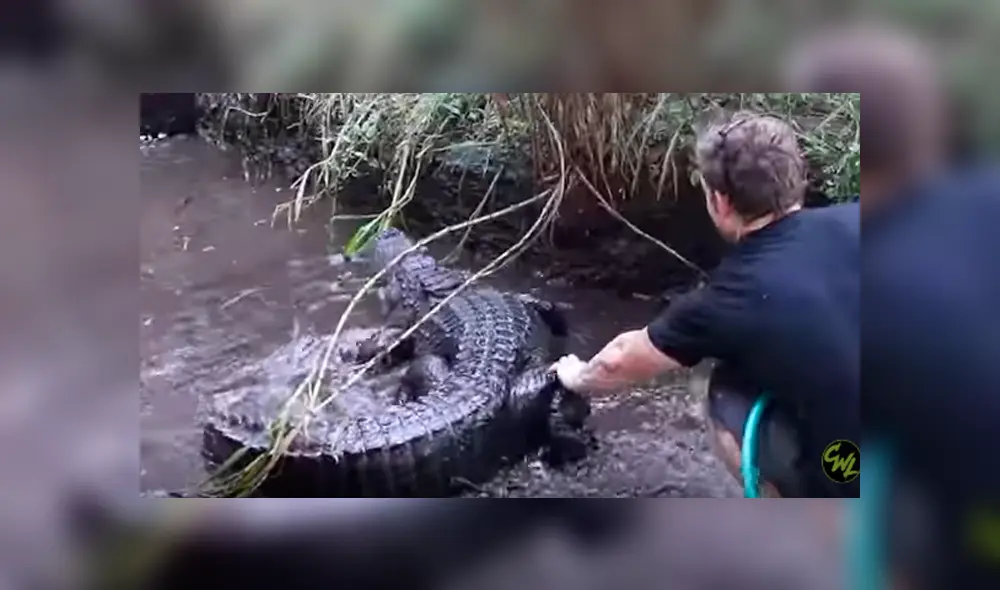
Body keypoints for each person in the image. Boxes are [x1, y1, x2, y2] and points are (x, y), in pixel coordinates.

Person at [550, 110, 860, 498]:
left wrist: (576, 377)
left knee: (724, 389)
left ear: (720, 201)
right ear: (797, 179)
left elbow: (619, 361)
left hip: (855, 477)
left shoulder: (730, 296)